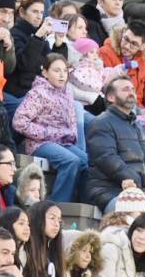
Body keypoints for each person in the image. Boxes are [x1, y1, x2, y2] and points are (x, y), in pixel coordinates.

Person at [12, 54, 88, 203]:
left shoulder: (68, 93)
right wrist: (47, 133)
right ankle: (56, 205)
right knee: (71, 161)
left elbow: (72, 122)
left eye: (65, 71)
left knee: (86, 161)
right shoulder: (38, 93)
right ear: (45, 72)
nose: (61, 75)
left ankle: (78, 204)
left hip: (63, 143)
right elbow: (19, 121)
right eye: (56, 70)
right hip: (40, 143)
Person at [85, 76, 145, 211]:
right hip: (109, 191)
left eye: (133, 89)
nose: (132, 92)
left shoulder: (138, 126)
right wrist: (143, 183)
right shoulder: (100, 123)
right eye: (125, 90)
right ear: (111, 97)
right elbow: (107, 159)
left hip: (141, 192)